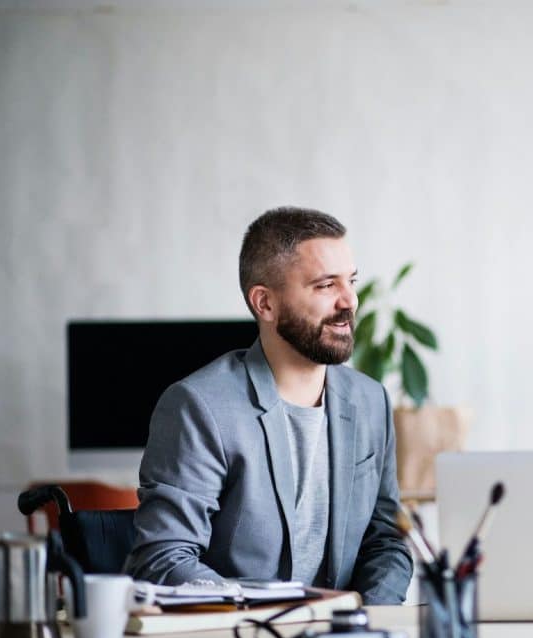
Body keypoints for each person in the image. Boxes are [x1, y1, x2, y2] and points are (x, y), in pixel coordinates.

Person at [125, 207, 412, 605]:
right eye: (326, 285)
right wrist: (279, 613)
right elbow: (163, 559)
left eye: (352, 281)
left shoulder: (370, 400)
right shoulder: (199, 406)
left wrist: (366, 619)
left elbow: (387, 539)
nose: (350, 301)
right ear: (265, 303)